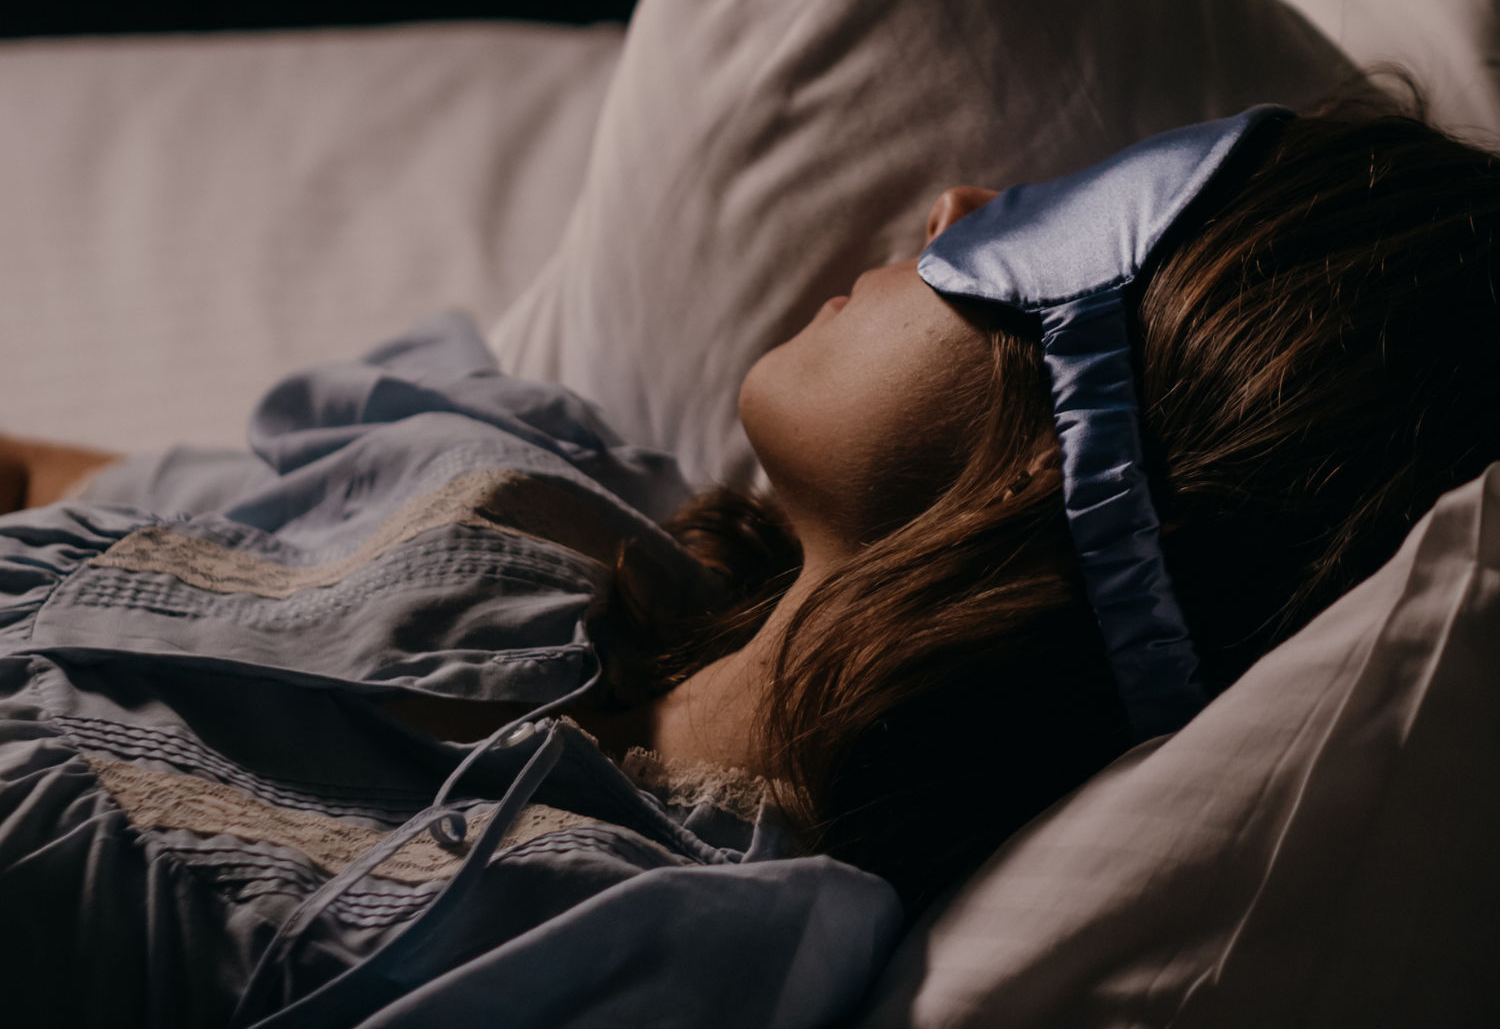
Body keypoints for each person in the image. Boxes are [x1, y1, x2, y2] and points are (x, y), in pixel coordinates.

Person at [1, 94, 1498, 1026]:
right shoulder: (535, 482)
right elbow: (67, 497)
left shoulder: (641, 951)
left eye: (1043, 226)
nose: (958, 200)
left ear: (1081, 452)